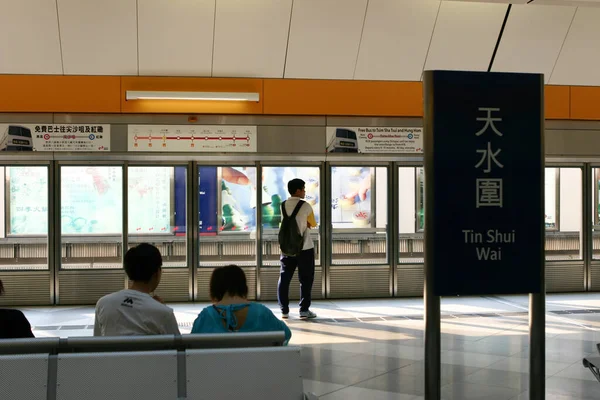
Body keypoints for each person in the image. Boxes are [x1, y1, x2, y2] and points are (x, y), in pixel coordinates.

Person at [93, 243, 180, 336]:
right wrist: (161, 307)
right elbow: (178, 346)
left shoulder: (103, 303)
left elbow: (97, 341)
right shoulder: (164, 313)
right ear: (157, 273)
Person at [191, 265, 291, 345]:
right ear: (243, 286)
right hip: (258, 369)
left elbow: (192, 344)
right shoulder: (261, 313)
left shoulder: (206, 316)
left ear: (215, 289)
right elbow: (286, 334)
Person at [278, 178, 317, 319]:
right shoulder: (305, 206)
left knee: (284, 278)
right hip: (305, 248)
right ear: (298, 190)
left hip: (287, 248)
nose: (305, 191)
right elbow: (312, 224)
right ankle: (304, 310)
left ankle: (284, 310)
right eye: (303, 189)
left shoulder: (282, 205)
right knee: (306, 279)